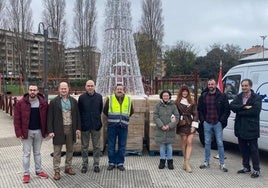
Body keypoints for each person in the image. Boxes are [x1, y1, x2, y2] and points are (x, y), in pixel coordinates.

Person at [14, 84, 49, 183]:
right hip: (26, 132)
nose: (32, 92)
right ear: (28, 91)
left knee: (37, 153)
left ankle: (39, 171)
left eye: (34, 90)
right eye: (31, 90)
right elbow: (17, 119)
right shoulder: (21, 103)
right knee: (26, 154)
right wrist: (19, 132)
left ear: (38, 91)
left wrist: (46, 131)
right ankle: (26, 173)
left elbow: (46, 118)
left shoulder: (43, 103)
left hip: (39, 131)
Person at [47, 82, 81, 180]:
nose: (63, 90)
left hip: (71, 128)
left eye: (65, 88)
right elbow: (50, 117)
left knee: (70, 149)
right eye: (62, 88)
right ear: (59, 89)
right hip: (58, 129)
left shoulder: (73, 101)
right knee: (57, 151)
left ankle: (68, 167)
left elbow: (77, 116)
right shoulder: (54, 102)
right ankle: (57, 171)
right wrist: (50, 130)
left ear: (68, 89)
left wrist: (78, 128)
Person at [229, 79, 262, 178]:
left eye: (246, 86)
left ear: (250, 86)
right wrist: (244, 107)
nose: (244, 87)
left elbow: (255, 111)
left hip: (251, 128)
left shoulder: (256, 98)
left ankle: (256, 170)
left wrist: (239, 111)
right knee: (243, 149)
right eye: (242, 86)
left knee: (253, 150)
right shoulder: (239, 96)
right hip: (240, 128)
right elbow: (232, 106)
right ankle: (246, 167)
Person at [197, 78, 230, 172]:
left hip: (217, 123)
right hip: (207, 123)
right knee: (207, 143)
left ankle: (222, 163)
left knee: (220, 143)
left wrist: (221, 121)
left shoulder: (222, 96)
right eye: (209, 84)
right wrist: (202, 120)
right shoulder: (203, 96)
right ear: (207, 85)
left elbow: (227, 110)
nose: (211, 86)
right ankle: (206, 162)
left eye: (212, 84)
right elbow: (199, 109)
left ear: (215, 85)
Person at [103, 84, 134, 171]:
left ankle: (120, 163)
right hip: (112, 126)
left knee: (122, 145)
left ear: (124, 91)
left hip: (123, 126)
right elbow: (105, 111)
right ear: (115, 90)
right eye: (118, 89)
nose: (119, 90)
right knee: (111, 145)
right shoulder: (110, 99)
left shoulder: (128, 99)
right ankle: (111, 163)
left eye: (121, 89)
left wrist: (124, 118)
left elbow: (131, 111)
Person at [78, 80, 103, 173]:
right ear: (85, 87)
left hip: (96, 125)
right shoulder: (82, 98)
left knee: (96, 146)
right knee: (84, 146)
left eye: (91, 86)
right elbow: (79, 111)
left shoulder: (99, 97)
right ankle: (84, 164)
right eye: (88, 86)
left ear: (94, 86)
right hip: (85, 125)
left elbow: (100, 110)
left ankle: (96, 164)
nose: (90, 87)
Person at [153, 90, 180, 170]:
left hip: (169, 129)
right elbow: (155, 116)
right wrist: (161, 125)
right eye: (164, 96)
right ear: (161, 97)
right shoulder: (158, 105)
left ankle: (170, 161)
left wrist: (169, 126)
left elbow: (177, 117)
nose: (165, 97)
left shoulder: (173, 105)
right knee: (162, 145)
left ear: (169, 96)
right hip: (160, 129)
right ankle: (162, 161)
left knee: (169, 145)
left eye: (167, 96)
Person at [175, 85, 198, 173]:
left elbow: (196, 114)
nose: (184, 93)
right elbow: (175, 113)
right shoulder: (177, 102)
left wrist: (194, 126)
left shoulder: (192, 102)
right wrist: (178, 121)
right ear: (181, 92)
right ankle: (185, 161)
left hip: (191, 123)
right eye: (183, 91)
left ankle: (187, 163)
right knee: (184, 142)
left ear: (188, 92)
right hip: (182, 124)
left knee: (190, 141)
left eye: (186, 91)